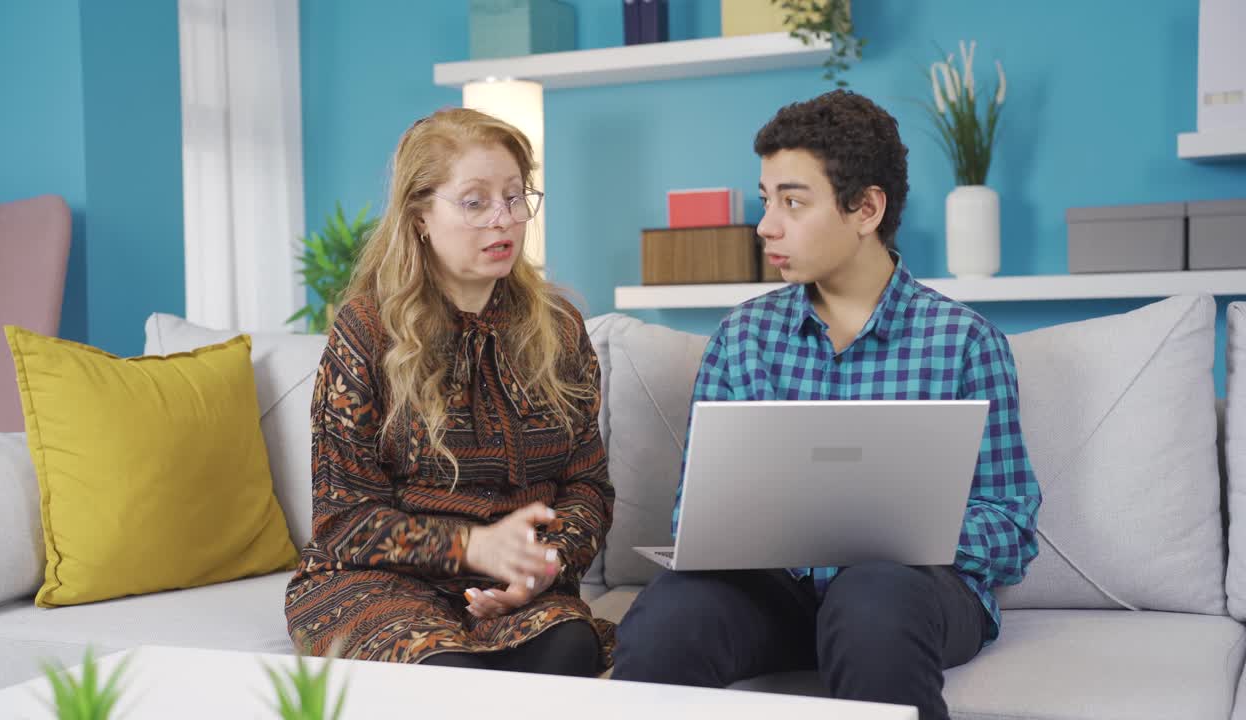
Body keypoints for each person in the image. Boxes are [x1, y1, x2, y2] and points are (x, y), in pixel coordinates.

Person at [612, 90, 1041, 719]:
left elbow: (1011, 528)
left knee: (872, 596)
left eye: (793, 201)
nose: (766, 226)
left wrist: (890, 530)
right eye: (766, 201)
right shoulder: (743, 337)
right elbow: (691, 511)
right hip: (776, 593)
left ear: (866, 207)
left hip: (910, 595)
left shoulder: (965, 342)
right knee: (666, 616)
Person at [285, 107, 614, 676]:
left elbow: (587, 485)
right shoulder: (366, 331)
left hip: (510, 590)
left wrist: (542, 565)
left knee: (571, 649)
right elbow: (344, 522)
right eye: (475, 201)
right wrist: (469, 546)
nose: (504, 220)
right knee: (446, 669)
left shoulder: (560, 329)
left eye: (516, 198)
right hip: (375, 582)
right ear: (420, 216)